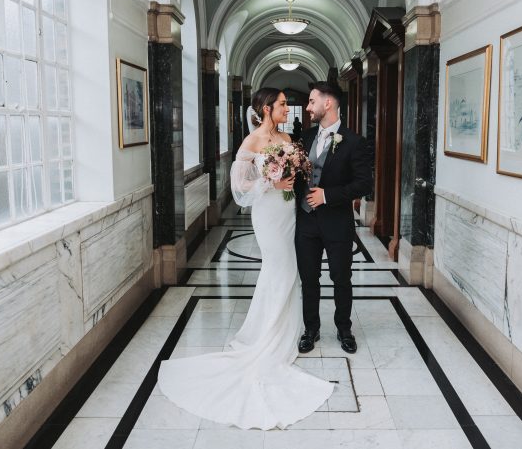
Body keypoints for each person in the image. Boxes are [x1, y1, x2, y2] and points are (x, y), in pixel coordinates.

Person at [158, 87, 334, 430]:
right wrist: (271, 183)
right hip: (268, 213)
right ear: (267, 108)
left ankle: (287, 328)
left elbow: (299, 174)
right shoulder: (251, 142)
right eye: (282, 105)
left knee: (289, 270)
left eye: (286, 104)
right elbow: (240, 189)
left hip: (288, 215)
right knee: (279, 267)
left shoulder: (286, 137)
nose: (286, 109)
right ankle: (268, 334)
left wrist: (294, 177)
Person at [294, 82, 372, 355]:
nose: (308, 107)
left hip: (337, 223)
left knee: (341, 278)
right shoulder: (304, 137)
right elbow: (297, 179)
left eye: (312, 101)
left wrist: (328, 195)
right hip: (306, 222)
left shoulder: (354, 142)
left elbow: (364, 183)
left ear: (328, 103)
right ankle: (311, 329)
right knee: (309, 279)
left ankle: (344, 328)